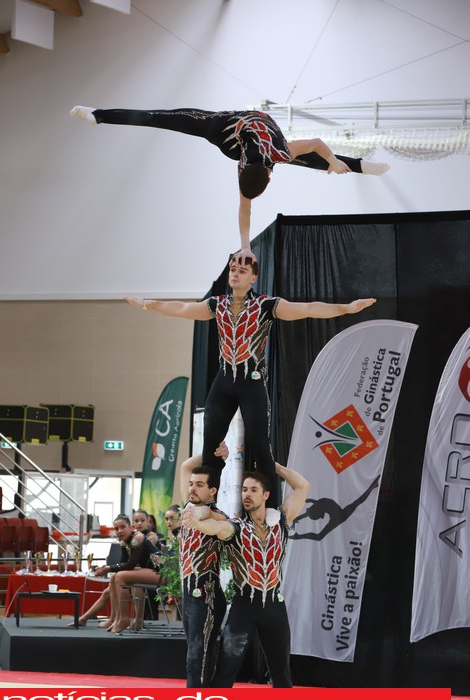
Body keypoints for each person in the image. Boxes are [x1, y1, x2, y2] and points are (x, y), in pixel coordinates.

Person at [126, 254, 375, 506]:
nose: (235, 273)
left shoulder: (266, 306)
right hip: (224, 382)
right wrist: (148, 304)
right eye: (233, 269)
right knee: (211, 446)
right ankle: (206, 507)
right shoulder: (217, 305)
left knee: (260, 447)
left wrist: (346, 308)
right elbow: (181, 309)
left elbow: (308, 309)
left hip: (252, 383)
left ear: (253, 278)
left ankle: (267, 510)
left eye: (242, 271)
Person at [70, 105, 389, 260]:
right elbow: (245, 208)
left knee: (306, 157)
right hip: (223, 127)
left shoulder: (277, 153)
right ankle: (99, 114)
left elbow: (317, 144)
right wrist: (245, 246)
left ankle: (360, 166)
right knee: (161, 118)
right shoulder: (271, 157)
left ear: (267, 177)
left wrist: (332, 159)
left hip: (234, 130)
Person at [182, 463, 310, 687]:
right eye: (243, 490)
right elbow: (215, 526)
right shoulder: (236, 527)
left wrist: (273, 466)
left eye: (253, 490)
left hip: (275, 606)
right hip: (244, 606)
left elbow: (302, 486)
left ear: (266, 495)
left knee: (282, 673)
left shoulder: (281, 520)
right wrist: (198, 517)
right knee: (225, 671)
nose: (246, 494)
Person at [178, 446, 229, 688]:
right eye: (191, 484)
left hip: (206, 596)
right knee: (195, 656)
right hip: (189, 596)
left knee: (197, 658)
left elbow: (220, 519)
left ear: (212, 491)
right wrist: (211, 452)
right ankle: (201, 699)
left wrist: (205, 511)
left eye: (199, 485)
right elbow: (185, 466)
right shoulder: (188, 509)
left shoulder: (216, 516)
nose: (192, 488)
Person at [93, 513, 161, 633]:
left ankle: (124, 619)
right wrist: (108, 568)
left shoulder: (137, 538)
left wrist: (108, 568)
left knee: (121, 576)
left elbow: (130, 565)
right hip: (149, 572)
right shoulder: (124, 543)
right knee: (115, 576)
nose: (119, 531)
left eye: (123, 527)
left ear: (131, 527)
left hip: (161, 572)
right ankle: (118, 618)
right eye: (116, 529)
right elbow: (123, 564)